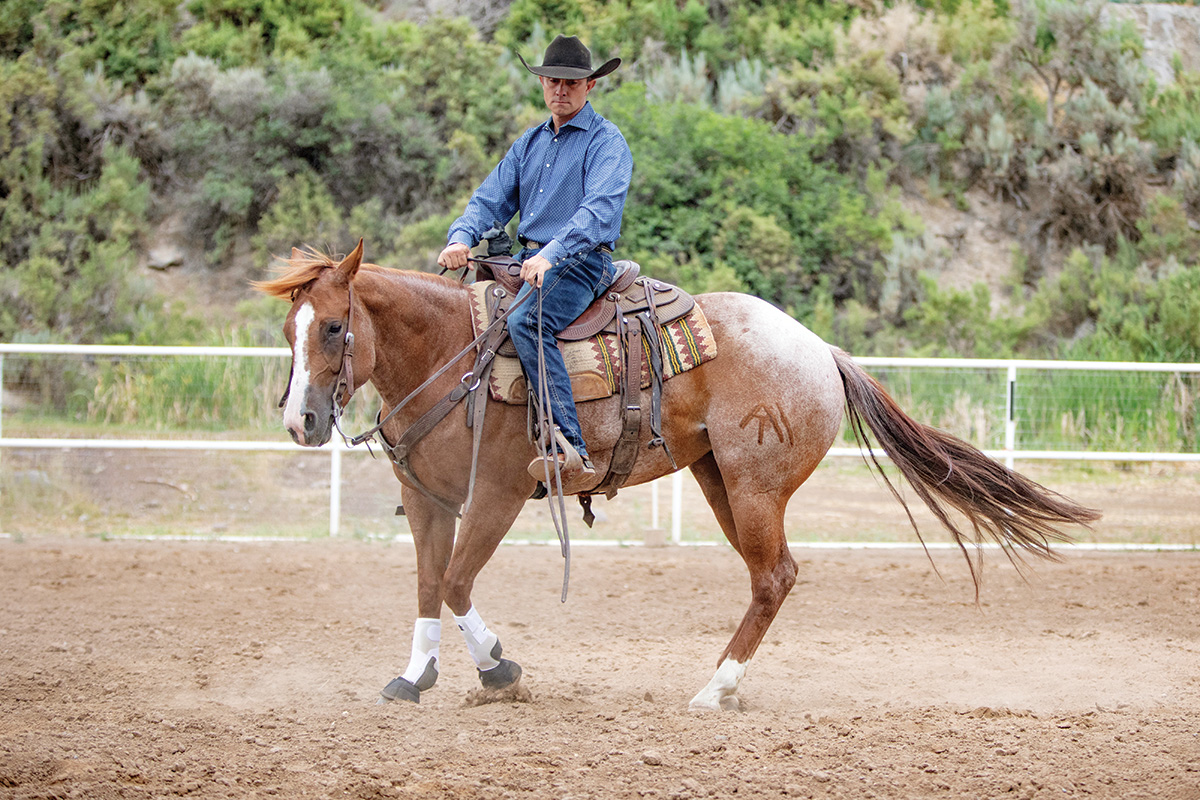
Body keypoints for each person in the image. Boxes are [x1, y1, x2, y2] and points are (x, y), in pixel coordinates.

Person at [438, 35, 633, 493]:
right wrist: (461, 236)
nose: (559, 90)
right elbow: (491, 199)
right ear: (542, 83)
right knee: (458, 313)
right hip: (529, 260)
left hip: (582, 261)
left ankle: (569, 446)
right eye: (551, 80)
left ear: (590, 86)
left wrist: (552, 252)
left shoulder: (607, 141)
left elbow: (599, 211)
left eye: (570, 82)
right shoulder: (529, 143)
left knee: (529, 319)